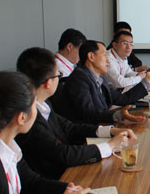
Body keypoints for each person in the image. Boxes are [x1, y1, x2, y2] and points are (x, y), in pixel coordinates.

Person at [16, 47, 139, 179]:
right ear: (48, 83)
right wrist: (111, 145)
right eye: (58, 75)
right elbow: (63, 154)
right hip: (55, 178)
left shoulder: (44, 104)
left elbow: (70, 128)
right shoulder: (28, 117)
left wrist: (111, 131)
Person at [61, 40, 148, 124]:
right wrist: (117, 115)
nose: (108, 60)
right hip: (88, 131)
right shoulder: (79, 79)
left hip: (101, 126)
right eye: (104, 55)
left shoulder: (99, 78)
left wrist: (146, 82)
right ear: (91, 56)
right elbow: (87, 113)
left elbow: (122, 98)